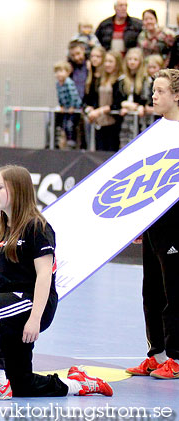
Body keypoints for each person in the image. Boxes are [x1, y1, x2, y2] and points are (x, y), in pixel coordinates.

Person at [0, 165, 114, 399]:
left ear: (16, 190)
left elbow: (45, 276)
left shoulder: (38, 228)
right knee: (22, 385)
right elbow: (1, 279)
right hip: (8, 308)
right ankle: (79, 384)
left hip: (32, 303)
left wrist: (34, 319)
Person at [126, 69, 179, 380]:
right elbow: (145, 181)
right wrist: (138, 221)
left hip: (176, 224)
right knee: (151, 290)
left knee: (175, 289)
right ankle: (157, 354)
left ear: (176, 95)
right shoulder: (154, 133)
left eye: (160, 91)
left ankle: (176, 356)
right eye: (153, 91)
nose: (153, 97)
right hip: (154, 224)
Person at [85, 51, 125, 151]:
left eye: (111, 62)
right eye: (106, 61)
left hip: (113, 122)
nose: (107, 64)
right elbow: (94, 99)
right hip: (100, 122)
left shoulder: (121, 80)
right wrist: (91, 109)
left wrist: (100, 111)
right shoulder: (101, 79)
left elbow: (118, 103)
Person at [119, 47, 152, 145]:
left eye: (135, 60)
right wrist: (127, 105)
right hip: (126, 119)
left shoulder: (146, 80)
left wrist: (133, 106)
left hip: (141, 120)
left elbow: (145, 98)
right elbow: (119, 99)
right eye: (129, 59)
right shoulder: (122, 80)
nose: (132, 62)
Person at [54, 61, 82, 149]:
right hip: (65, 108)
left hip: (74, 108)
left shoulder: (69, 83)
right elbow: (60, 96)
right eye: (57, 72)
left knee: (70, 125)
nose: (59, 74)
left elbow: (73, 95)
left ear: (68, 72)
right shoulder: (58, 84)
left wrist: (73, 106)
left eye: (61, 71)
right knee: (64, 125)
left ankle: (72, 142)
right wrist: (61, 105)